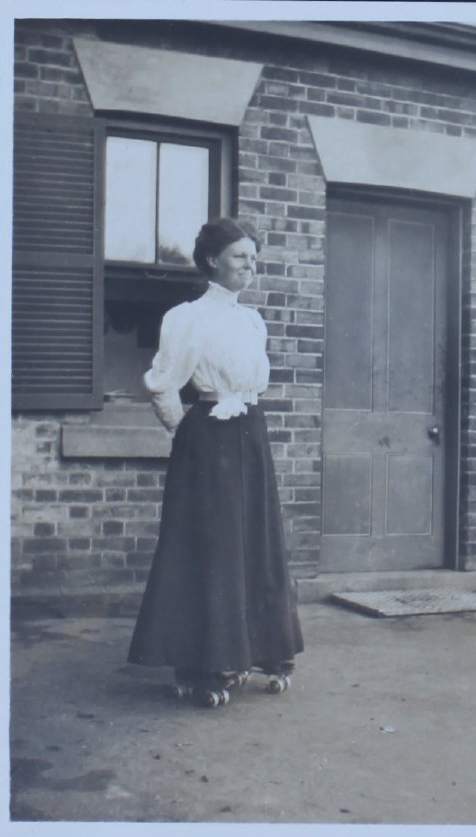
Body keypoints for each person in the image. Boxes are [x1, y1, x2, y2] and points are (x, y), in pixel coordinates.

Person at [128, 218, 304, 708]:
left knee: (257, 540)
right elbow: (163, 383)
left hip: (251, 432)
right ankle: (208, 662)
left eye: (253, 257)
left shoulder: (251, 320)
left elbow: (254, 382)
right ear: (212, 262)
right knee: (213, 547)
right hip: (209, 437)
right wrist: (185, 430)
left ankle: (265, 650)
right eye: (240, 257)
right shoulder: (186, 318)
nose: (251, 265)